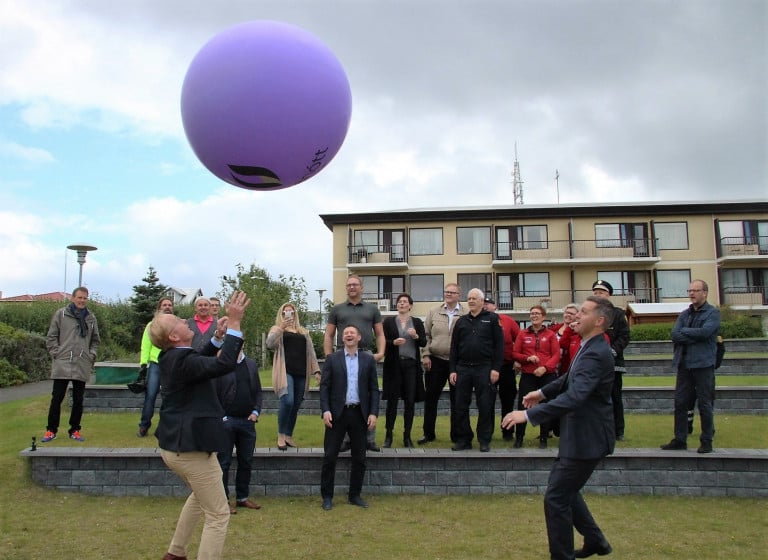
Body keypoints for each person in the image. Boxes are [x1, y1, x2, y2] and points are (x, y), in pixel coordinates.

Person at [501, 296, 616, 560]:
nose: (576, 316)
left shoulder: (597, 352)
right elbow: (569, 378)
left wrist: (529, 416)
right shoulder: (589, 346)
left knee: (556, 498)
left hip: (588, 439)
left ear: (599, 321)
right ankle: (596, 540)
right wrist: (541, 392)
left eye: (583, 312)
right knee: (563, 490)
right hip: (578, 437)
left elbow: (576, 396)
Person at [150, 291, 250, 560]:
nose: (185, 321)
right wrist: (236, 323)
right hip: (191, 449)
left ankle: (176, 552)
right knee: (218, 514)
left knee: (200, 495)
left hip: (177, 445)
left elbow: (198, 361)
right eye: (179, 322)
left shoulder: (173, 357)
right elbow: (224, 363)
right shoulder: (181, 361)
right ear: (173, 337)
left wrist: (217, 337)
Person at [319, 325, 380, 510]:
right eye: (346, 333)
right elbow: (324, 387)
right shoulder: (332, 359)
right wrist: (325, 410)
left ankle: (355, 495)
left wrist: (373, 413)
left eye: (352, 333)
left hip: (359, 414)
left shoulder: (368, 361)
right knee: (330, 456)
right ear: (342, 339)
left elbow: (374, 390)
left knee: (359, 458)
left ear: (359, 337)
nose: (349, 335)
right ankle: (327, 497)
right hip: (337, 414)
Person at [324, 275, 385, 452]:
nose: (352, 287)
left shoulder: (372, 309)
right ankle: (345, 439)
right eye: (349, 284)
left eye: (355, 284)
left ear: (361, 287)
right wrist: (329, 357)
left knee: (366, 393)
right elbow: (328, 334)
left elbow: (380, 333)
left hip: (365, 354)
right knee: (343, 393)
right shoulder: (337, 309)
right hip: (342, 354)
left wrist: (380, 353)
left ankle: (369, 438)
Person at [661, 279, 721, 454]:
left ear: (705, 293)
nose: (692, 293)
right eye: (690, 290)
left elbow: (705, 333)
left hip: (703, 364)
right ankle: (680, 439)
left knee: (704, 403)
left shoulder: (712, 313)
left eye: (696, 290)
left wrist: (685, 332)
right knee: (680, 402)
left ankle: (706, 440)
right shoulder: (684, 314)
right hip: (684, 364)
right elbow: (674, 335)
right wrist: (691, 335)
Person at [41, 286, 101, 443]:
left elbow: (95, 340)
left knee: (78, 399)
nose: (82, 300)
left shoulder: (91, 318)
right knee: (57, 398)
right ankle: (51, 430)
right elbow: (51, 336)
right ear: (73, 298)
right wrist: (56, 353)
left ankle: (75, 429)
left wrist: (91, 355)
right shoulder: (61, 314)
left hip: (81, 363)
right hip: (63, 362)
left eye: (85, 298)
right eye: (79, 297)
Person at [448, 288, 504, 452]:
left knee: (485, 405)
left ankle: (484, 440)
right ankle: (464, 439)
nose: (471, 301)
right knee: (460, 406)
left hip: (484, 368)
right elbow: (454, 348)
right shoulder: (461, 321)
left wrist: (496, 369)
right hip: (463, 368)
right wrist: (452, 369)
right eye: (469, 298)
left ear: (482, 301)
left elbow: (499, 346)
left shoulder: (493, 319)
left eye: (474, 298)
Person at [266, 302, 321, 450]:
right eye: (285, 312)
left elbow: (311, 352)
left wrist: (316, 371)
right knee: (288, 401)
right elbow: (269, 344)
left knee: (296, 404)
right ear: (281, 314)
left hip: (301, 372)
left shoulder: (303, 331)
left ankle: (289, 435)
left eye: (291, 312)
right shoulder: (277, 329)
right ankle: (281, 435)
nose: (288, 314)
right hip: (286, 371)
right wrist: (281, 328)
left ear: (295, 314)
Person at [214, 349, 263, 514]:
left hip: (247, 422)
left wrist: (256, 412)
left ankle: (242, 498)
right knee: (224, 463)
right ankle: (223, 501)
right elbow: (214, 393)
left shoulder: (251, 364)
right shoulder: (221, 365)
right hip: (227, 421)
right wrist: (222, 417)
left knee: (246, 461)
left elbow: (258, 391)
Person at [419, 282, 465, 444]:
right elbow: (426, 336)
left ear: (459, 295)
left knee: (457, 399)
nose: (449, 294)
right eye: (446, 292)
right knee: (431, 399)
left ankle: (456, 435)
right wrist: (426, 355)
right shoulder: (434, 312)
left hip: (457, 363)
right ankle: (428, 434)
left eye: (452, 292)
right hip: (435, 361)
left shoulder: (465, 314)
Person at [381, 293, 427, 448]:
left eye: (405, 302)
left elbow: (423, 342)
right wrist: (393, 342)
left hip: (411, 366)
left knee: (409, 401)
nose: (401, 304)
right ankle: (388, 435)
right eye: (399, 302)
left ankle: (407, 436)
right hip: (394, 366)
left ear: (410, 305)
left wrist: (415, 336)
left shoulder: (417, 322)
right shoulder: (388, 322)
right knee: (392, 402)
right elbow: (382, 341)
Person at [512, 305, 560, 449]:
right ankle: (519, 437)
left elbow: (556, 355)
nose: (534, 316)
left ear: (543, 317)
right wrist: (527, 359)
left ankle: (544, 437)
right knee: (523, 404)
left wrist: (545, 368)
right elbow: (515, 353)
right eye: (532, 314)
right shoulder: (523, 334)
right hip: (528, 375)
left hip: (547, 375)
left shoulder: (550, 334)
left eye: (537, 314)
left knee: (545, 405)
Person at [591, 280, 630, 441]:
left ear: (608, 295)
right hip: (594, 364)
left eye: (601, 292)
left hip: (613, 363)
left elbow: (624, 336)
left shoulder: (618, 314)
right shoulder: (591, 314)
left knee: (614, 397)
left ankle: (617, 430)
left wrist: (611, 351)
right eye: (595, 292)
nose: (597, 294)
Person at [136, 296, 174, 437]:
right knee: (150, 395)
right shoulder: (151, 325)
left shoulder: (176, 324)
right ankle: (144, 425)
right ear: (159, 308)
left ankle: (165, 427)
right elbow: (146, 345)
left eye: (170, 305)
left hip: (171, 364)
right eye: (164, 304)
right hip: (155, 364)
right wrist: (143, 364)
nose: (167, 307)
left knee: (168, 398)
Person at [484, 296, 521, 442]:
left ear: (495, 306)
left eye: (489, 304)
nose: (486, 306)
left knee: (508, 401)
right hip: (487, 367)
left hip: (506, 366)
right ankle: (487, 432)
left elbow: (519, 340)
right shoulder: (480, 321)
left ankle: (508, 431)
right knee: (487, 401)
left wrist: (518, 359)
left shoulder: (507, 321)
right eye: (484, 304)